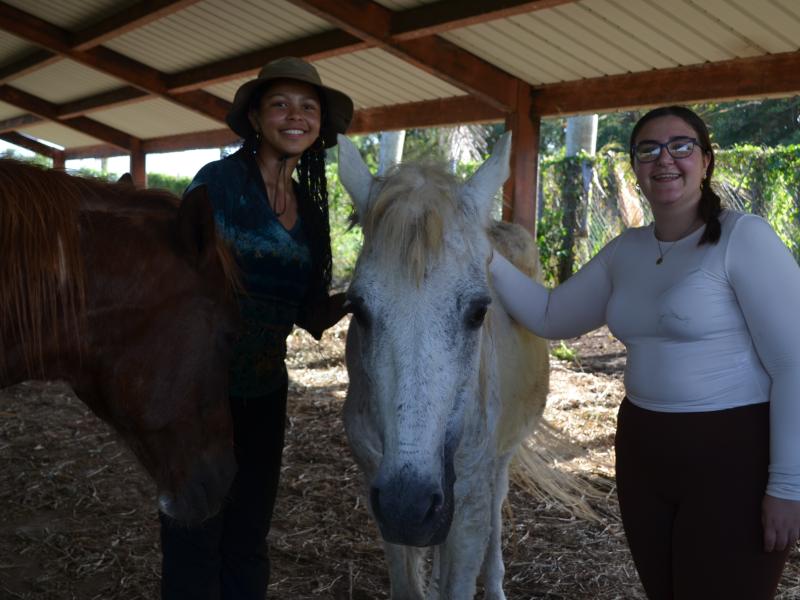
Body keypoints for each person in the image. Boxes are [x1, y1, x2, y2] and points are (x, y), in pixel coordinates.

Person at [489, 105, 800, 599]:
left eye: (681, 146)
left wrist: (788, 485)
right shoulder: (626, 250)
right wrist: (480, 251)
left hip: (732, 454)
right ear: (635, 166)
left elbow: (794, 365)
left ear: (706, 160)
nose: (665, 160)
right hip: (643, 452)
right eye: (648, 150)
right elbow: (550, 316)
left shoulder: (744, 239)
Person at [159, 56, 354, 600]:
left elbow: (309, 314)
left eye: (308, 107)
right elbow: (174, 278)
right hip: (198, 391)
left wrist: (365, 296)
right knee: (194, 532)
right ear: (255, 118)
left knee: (248, 534)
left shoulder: (311, 214)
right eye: (281, 104)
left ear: (320, 125)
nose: (296, 116)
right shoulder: (216, 185)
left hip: (265, 391)